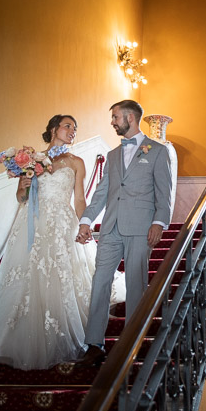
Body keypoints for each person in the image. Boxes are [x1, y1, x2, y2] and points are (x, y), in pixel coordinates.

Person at [0, 115, 122, 370]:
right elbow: (22, 198)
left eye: (75, 128)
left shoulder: (77, 162)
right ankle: (18, 343)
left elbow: (79, 199)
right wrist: (23, 185)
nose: (72, 131)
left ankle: (66, 337)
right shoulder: (33, 159)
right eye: (68, 126)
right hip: (32, 224)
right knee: (28, 278)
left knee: (61, 277)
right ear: (53, 129)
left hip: (61, 223)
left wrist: (85, 223)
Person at [75, 100, 174, 368]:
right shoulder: (113, 155)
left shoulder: (158, 151)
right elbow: (101, 192)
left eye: (116, 117)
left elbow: (165, 193)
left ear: (130, 117)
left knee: (136, 285)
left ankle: (132, 342)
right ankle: (94, 344)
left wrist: (159, 223)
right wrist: (86, 221)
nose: (112, 122)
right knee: (99, 283)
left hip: (141, 228)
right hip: (110, 228)